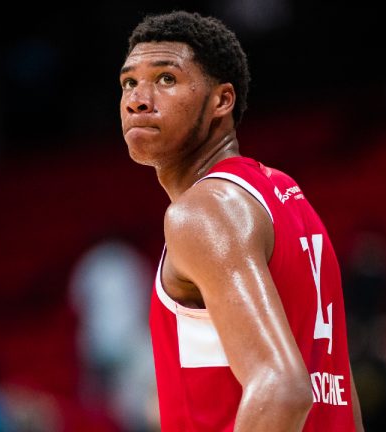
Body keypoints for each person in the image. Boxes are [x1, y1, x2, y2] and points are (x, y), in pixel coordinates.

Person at [119, 10, 364, 431]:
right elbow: (342, 399)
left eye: (166, 79)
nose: (138, 99)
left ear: (222, 100)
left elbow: (282, 388)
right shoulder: (284, 193)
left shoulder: (202, 211)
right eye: (129, 82)